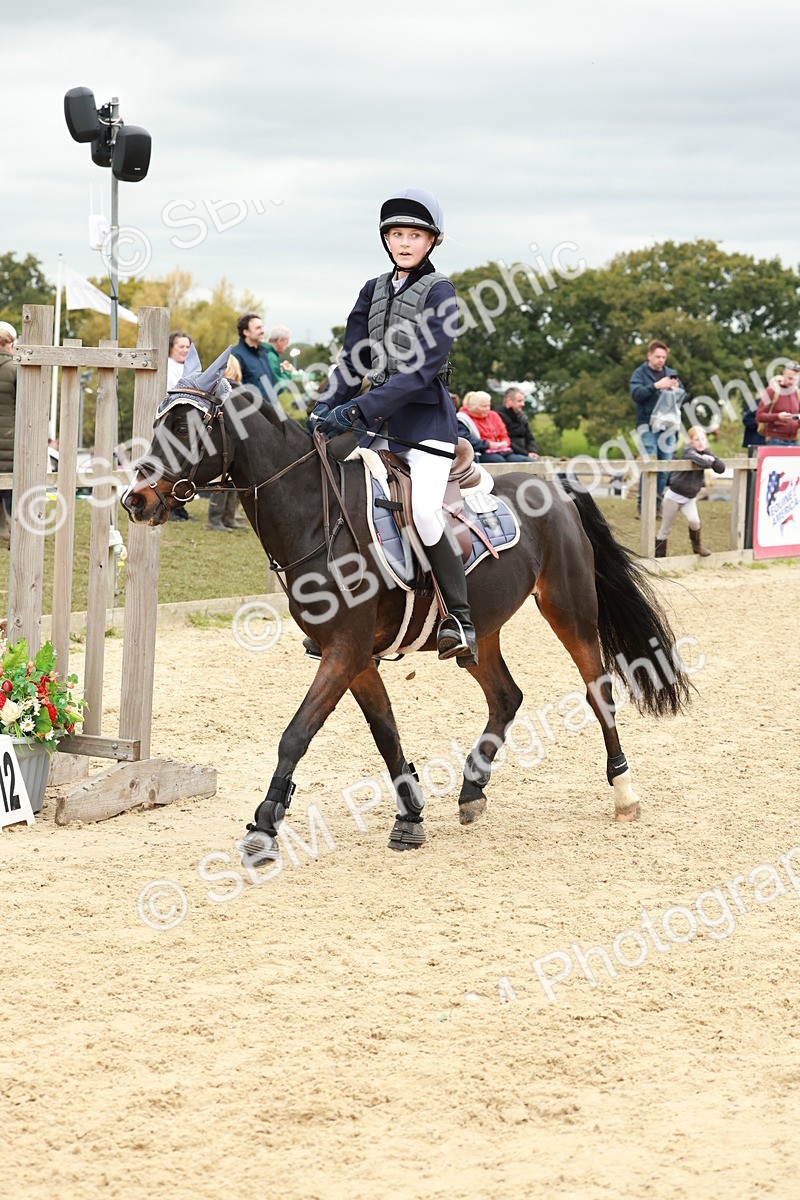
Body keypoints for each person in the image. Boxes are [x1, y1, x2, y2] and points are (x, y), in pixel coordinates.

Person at [307, 187, 478, 665]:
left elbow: (422, 370)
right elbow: (353, 360)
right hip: (376, 427)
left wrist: (360, 409)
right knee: (338, 499)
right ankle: (343, 613)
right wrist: (326, 408)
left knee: (423, 512)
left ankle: (460, 620)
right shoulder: (372, 289)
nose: (404, 242)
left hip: (425, 426)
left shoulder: (441, 292)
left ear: (431, 241)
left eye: (414, 235)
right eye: (396, 234)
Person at [629, 340, 685, 518]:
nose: (661, 360)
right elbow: (636, 395)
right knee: (650, 465)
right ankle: (642, 506)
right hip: (647, 426)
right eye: (658, 356)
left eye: (664, 357)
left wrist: (677, 388)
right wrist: (655, 386)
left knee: (665, 468)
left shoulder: (671, 374)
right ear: (649, 356)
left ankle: (657, 506)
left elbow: (684, 395)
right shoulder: (640, 373)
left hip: (668, 427)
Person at [654, 427, 726, 558]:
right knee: (665, 528)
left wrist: (713, 460)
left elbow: (721, 468)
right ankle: (659, 558)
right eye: (697, 439)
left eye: (703, 439)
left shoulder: (707, 452)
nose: (700, 442)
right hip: (674, 496)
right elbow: (699, 460)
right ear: (691, 441)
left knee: (694, 521)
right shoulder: (688, 451)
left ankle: (697, 545)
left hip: (689, 498)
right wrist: (707, 460)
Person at [207, 355, 246, 532]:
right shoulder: (225, 389)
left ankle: (228, 517)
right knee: (221, 482)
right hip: (224, 441)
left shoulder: (221, 389)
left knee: (230, 482)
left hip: (229, 439)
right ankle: (215, 520)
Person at [458, 392, 529, 462]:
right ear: (473, 406)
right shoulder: (462, 419)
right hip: (480, 452)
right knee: (499, 461)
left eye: (489, 405)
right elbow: (466, 440)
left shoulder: (493, 415)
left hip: (502, 451)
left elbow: (504, 434)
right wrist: (488, 445)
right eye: (484, 406)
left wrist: (504, 442)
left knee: (527, 461)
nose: (487, 409)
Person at [754, 363, 800, 447]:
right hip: (776, 440)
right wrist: (777, 416)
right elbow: (759, 416)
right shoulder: (772, 390)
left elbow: (796, 417)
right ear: (783, 374)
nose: (792, 382)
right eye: (790, 378)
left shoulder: (797, 393)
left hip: (794, 441)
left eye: (795, 380)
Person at [0, 323, 17, 542]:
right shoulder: (15, 369)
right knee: (13, 489)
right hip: (10, 439)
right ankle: (15, 531)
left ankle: (1, 530)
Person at [235, 313, 275, 403]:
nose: (262, 331)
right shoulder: (236, 356)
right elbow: (236, 391)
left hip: (270, 413)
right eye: (258, 328)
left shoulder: (264, 354)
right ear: (246, 332)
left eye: (262, 327)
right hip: (251, 413)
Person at [497, 387, 538, 459]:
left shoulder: (522, 417)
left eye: (523, 401)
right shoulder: (498, 416)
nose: (523, 404)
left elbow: (530, 438)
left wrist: (532, 451)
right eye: (519, 401)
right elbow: (506, 440)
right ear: (509, 401)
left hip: (525, 453)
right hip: (509, 453)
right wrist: (526, 454)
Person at [263, 326, 294, 392]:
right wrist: (287, 372)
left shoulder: (263, 352)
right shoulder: (272, 358)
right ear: (279, 341)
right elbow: (278, 387)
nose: (287, 345)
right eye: (287, 342)